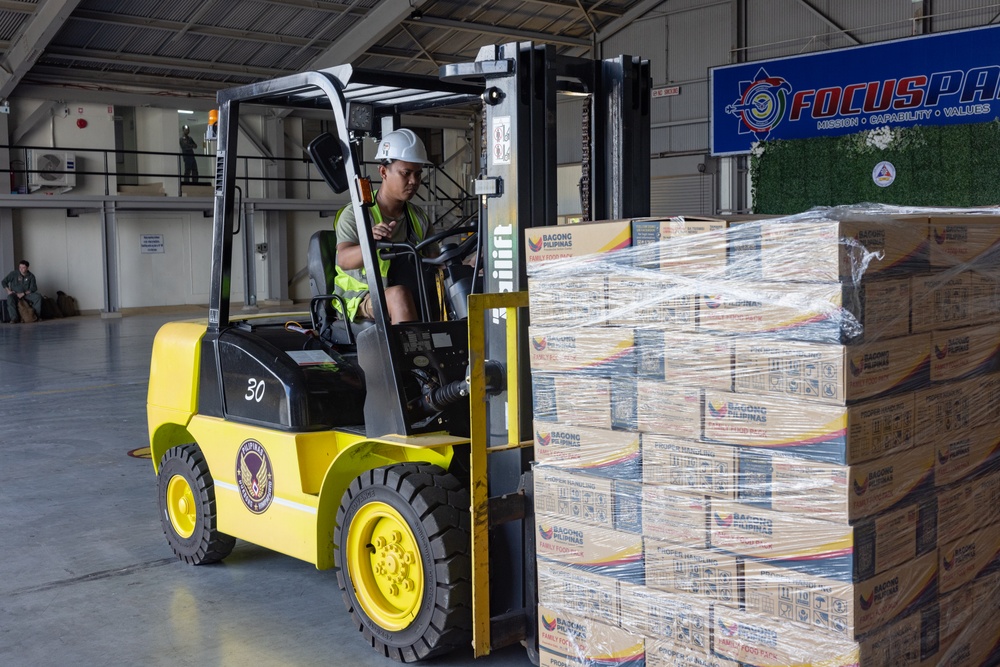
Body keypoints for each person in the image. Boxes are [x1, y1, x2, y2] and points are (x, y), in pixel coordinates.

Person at [333, 128, 435, 324]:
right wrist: (369, 243)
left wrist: (466, 264)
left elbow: (434, 260)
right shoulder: (357, 214)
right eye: (406, 173)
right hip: (363, 296)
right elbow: (344, 259)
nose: (414, 181)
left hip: (410, 288)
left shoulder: (419, 217)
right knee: (398, 296)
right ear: (383, 172)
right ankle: (414, 355)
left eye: (418, 174)